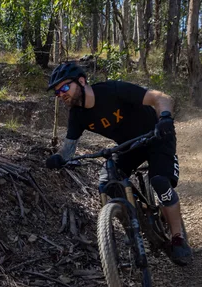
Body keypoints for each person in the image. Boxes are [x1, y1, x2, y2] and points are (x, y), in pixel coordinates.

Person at [44, 61, 194, 266]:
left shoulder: (112, 90)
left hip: (158, 137)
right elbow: (68, 150)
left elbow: (161, 97)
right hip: (129, 146)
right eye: (57, 92)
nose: (61, 94)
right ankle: (135, 227)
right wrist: (59, 158)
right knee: (108, 184)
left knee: (159, 181)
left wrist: (165, 118)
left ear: (81, 81)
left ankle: (178, 238)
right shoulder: (77, 116)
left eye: (64, 87)